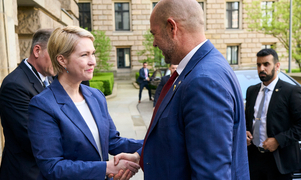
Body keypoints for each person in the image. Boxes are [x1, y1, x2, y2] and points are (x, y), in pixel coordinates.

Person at [114, 0, 249, 179]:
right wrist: (140, 155)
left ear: (172, 28)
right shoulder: (201, 68)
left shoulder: (203, 80)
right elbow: (178, 136)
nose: (154, 43)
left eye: (154, 34)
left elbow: (210, 174)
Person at [27, 26, 143, 180]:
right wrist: (107, 168)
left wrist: (154, 141)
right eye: (84, 55)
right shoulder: (43, 105)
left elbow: (113, 142)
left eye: (93, 54)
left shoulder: (95, 96)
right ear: (62, 60)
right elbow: (52, 167)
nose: (92, 61)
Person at [0, 29, 54, 180]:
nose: (60, 59)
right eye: (55, 53)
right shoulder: (15, 85)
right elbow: (33, 139)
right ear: (37, 51)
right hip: (26, 173)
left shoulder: (50, 78)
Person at [245, 49, 301, 180]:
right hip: (253, 159)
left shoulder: (291, 91)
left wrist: (278, 140)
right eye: (259, 65)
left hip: (279, 161)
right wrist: (245, 132)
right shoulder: (251, 91)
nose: (261, 68)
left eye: (266, 64)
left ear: (277, 66)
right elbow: (248, 120)